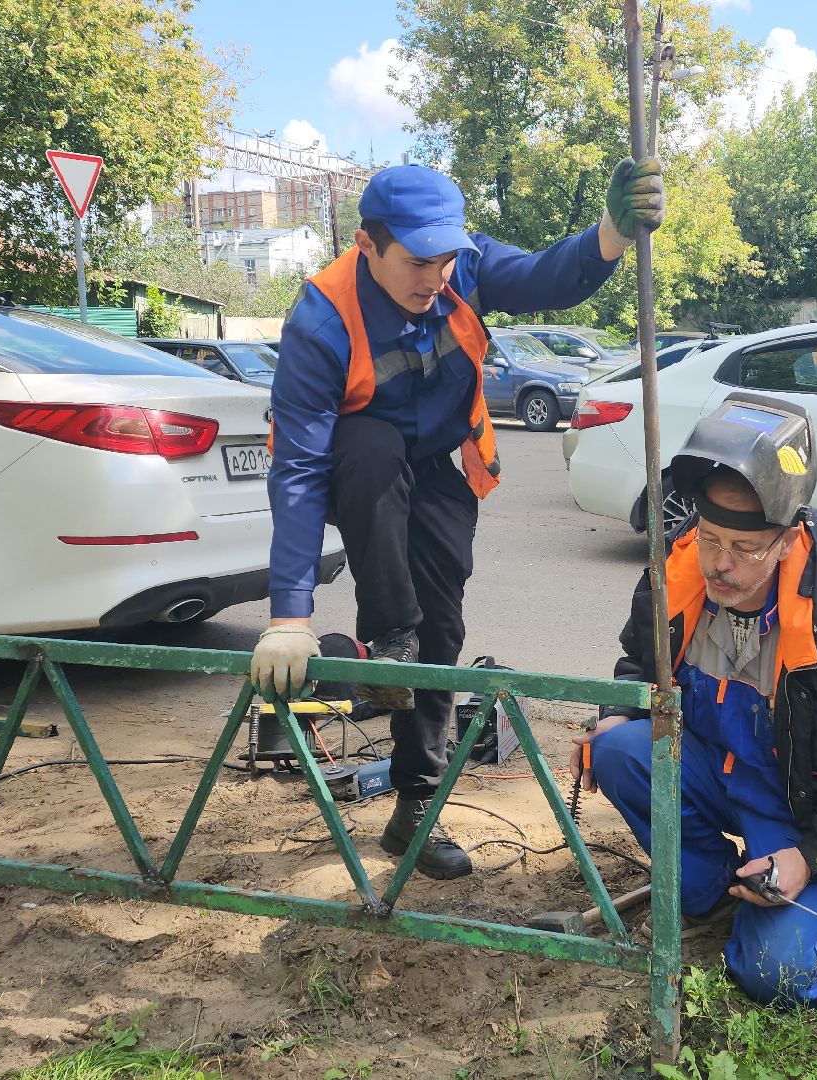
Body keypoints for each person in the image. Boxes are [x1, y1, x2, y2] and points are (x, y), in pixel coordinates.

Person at [248, 160, 665, 881]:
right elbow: (297, 467)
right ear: (367, 244)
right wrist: (290, 614)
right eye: (417, 261)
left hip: (442, 462)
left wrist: (610, 234)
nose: (435, 276)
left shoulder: (461, 269)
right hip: (361, 467)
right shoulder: (321, 317)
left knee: (441, 630)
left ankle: (414, 807)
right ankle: (389, 635)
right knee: (373, 455)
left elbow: (545, 278)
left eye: (446, 258)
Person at [570, 393, 817, 1007]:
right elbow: (641, 666)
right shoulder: (676, 576)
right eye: (710, 538)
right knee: (618, 748)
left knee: (777, 974)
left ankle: (804, 909)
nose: (720, 564)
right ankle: (708, 893)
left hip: (805, 819)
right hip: (714, 773)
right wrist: (617, 711)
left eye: (745, 549)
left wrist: (810, 857)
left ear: (786, 538)